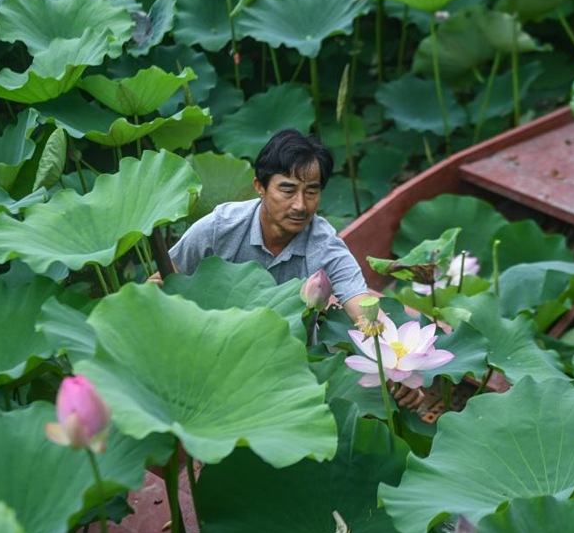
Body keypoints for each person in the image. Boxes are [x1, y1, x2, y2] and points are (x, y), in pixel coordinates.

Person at [159, 128, 423, 408]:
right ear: (260, 186)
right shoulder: (219, 228)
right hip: (211, 358)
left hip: (290, 370)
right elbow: (162, 282)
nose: (300, 205)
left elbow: (364, 308)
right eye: (287, 190)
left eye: (312, 191)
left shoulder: (325, 245)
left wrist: (400, 368)